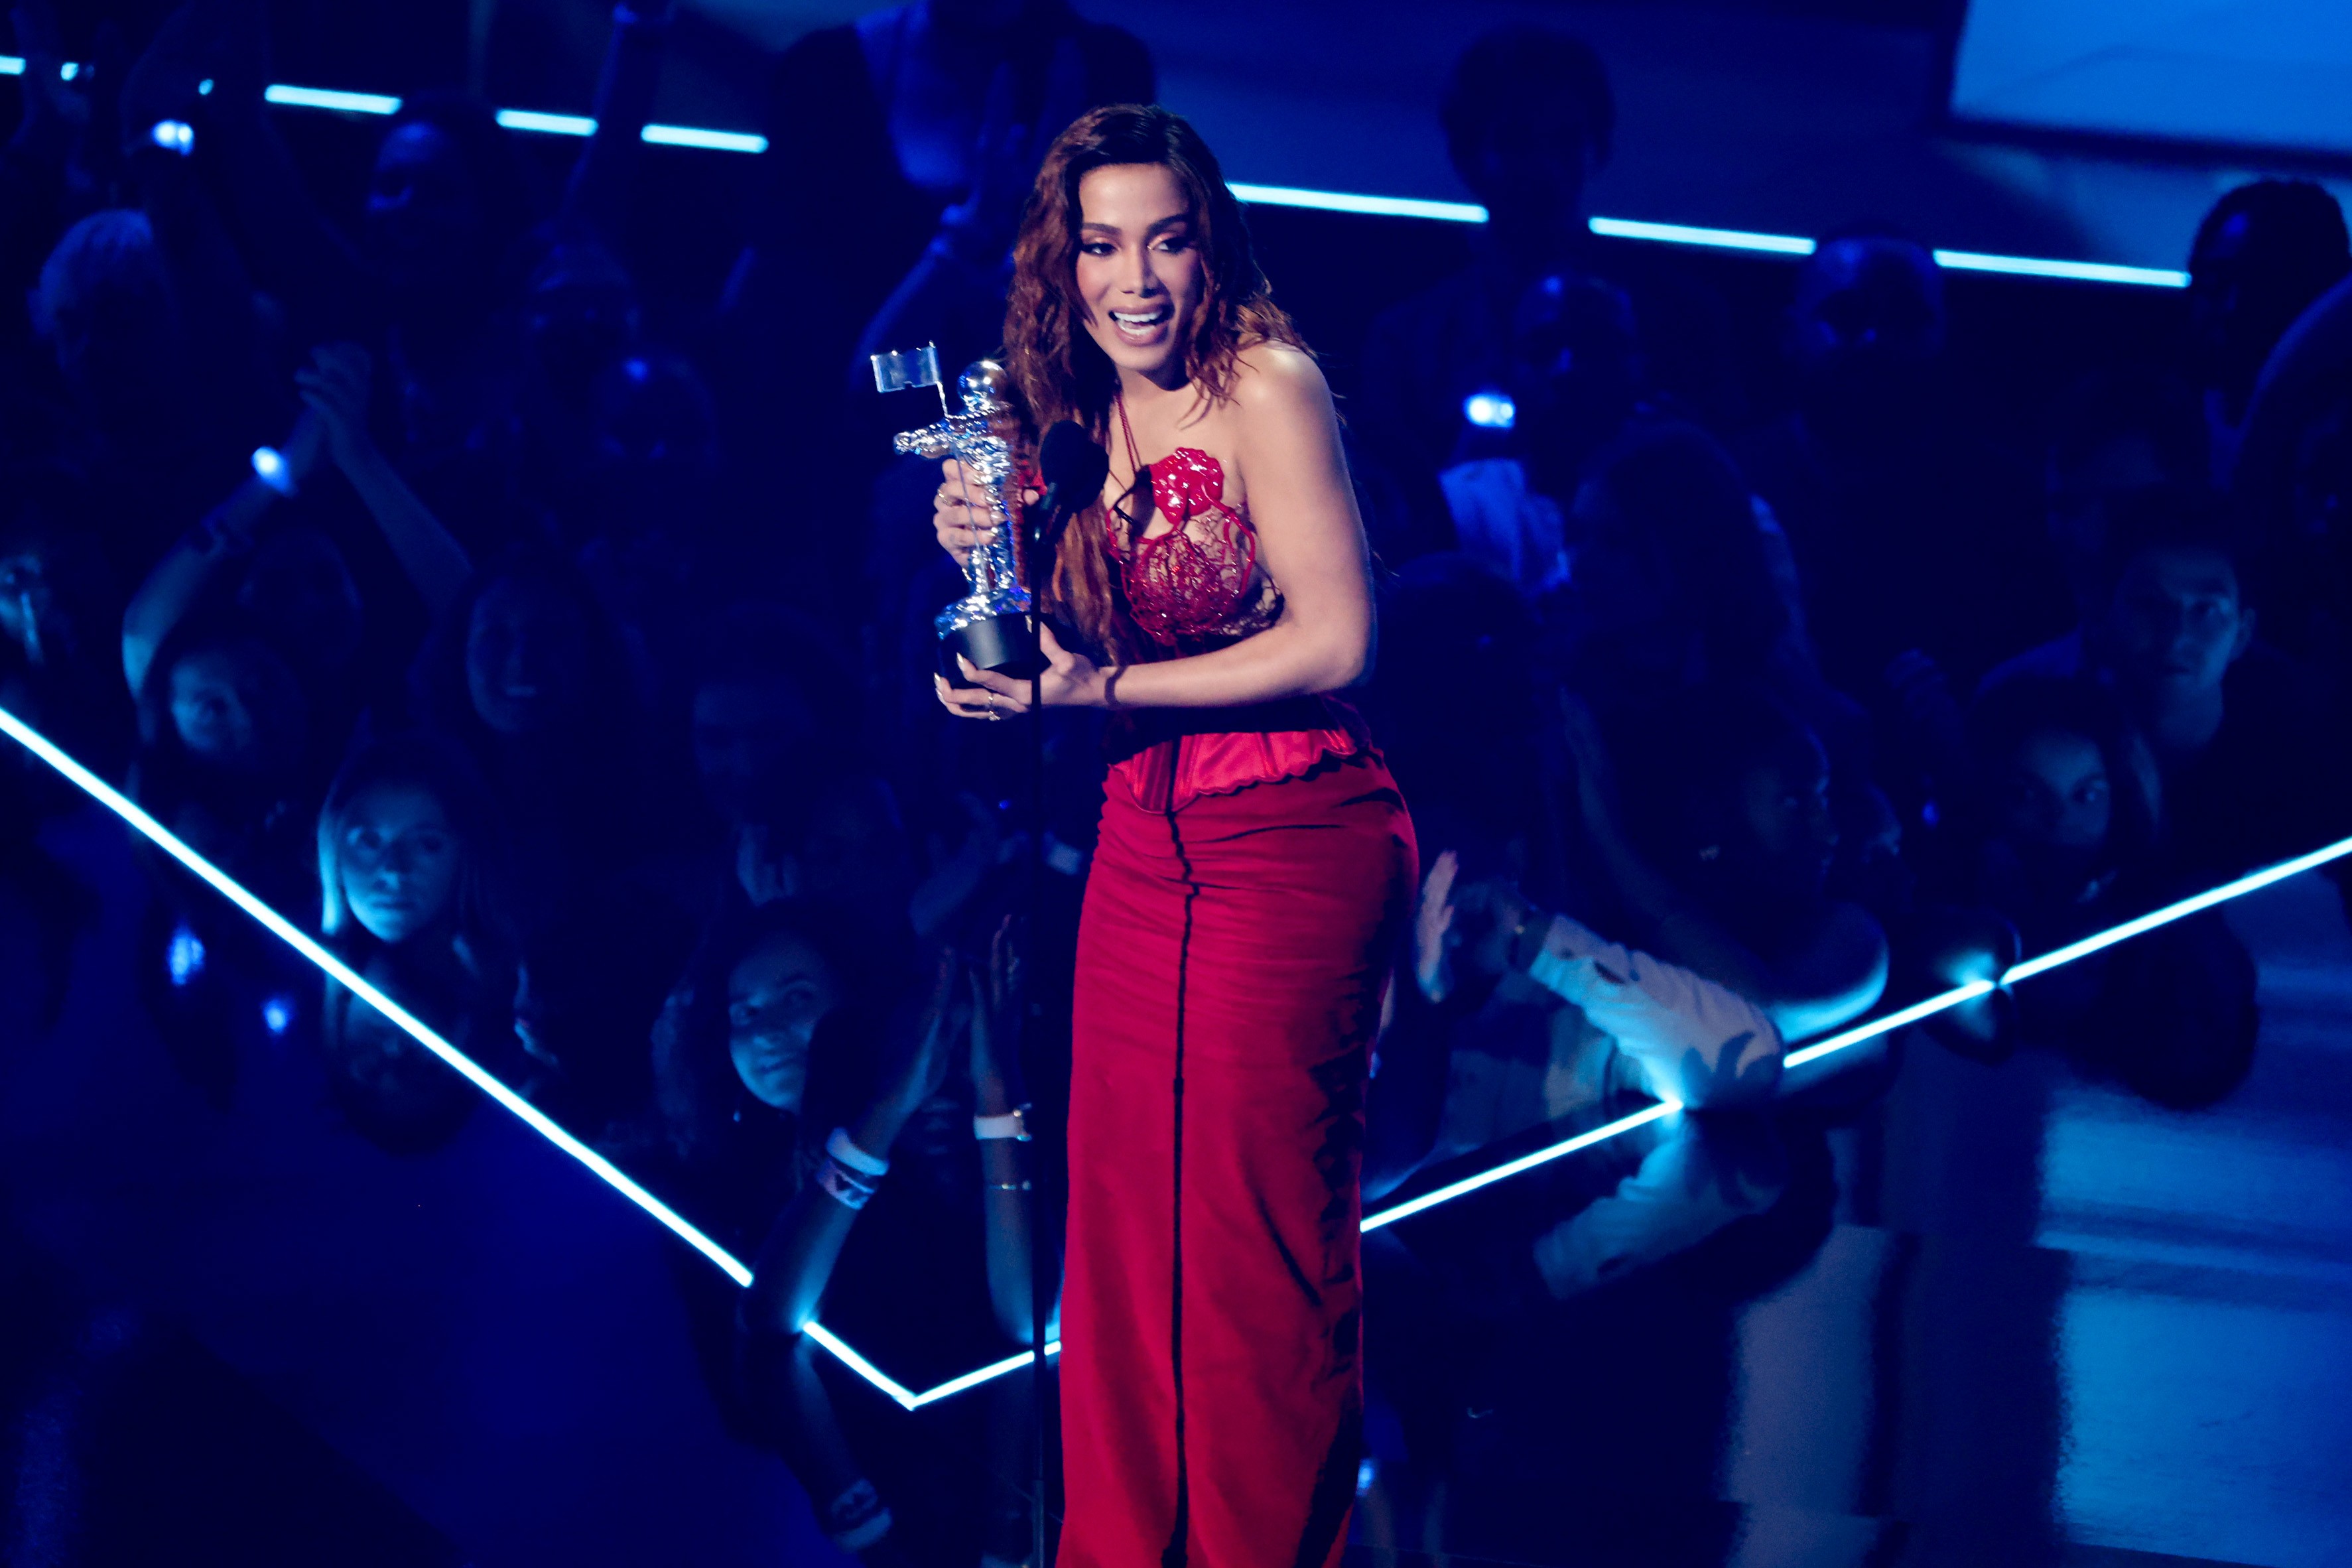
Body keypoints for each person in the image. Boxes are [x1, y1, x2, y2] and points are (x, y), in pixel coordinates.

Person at [930, 105, 1417, 1565]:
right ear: (1059, 260)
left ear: (1209, 246)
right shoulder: (1052, 409)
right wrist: (973, 551)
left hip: (1297, 827)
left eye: (1164, 239)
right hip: (1143, 837)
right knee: (1127, 1238)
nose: (1133, 278)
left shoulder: (1268, 384)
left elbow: (1342, 639)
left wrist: (1105, 686)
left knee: (1252, 1245)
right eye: (1099, 244)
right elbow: (1016, 643)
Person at [2186, 180, 2351, 486]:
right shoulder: (2149, 422)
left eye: (2261, 286)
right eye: (2216, 281)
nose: (2233, 307)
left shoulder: (2334, 453)